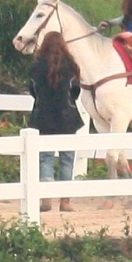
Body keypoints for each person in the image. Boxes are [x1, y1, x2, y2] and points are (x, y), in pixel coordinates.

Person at [28, 31, 84, 212]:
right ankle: (65, 202)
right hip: (67, 118)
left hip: (43, 117)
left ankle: (46, 200)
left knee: (45, 158)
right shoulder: (72, 66)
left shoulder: (36, 67)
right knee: (67, 160)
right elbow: (75, 92)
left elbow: (33, 91)